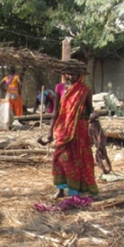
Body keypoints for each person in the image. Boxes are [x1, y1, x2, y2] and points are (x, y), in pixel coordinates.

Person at [47, 61, 99, 199]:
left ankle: (75, 191)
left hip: (79, 129)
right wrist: (50, 131)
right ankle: (60, 189)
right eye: (69, 73)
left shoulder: (86, 89)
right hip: (63, 128)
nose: (72, 76)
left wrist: (93, 114)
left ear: (80, 74)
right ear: (65, 74)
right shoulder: (59, 88)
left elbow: (90, 108)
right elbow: (56, 110)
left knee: (77, 159)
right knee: (60, 158)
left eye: (75, 73)